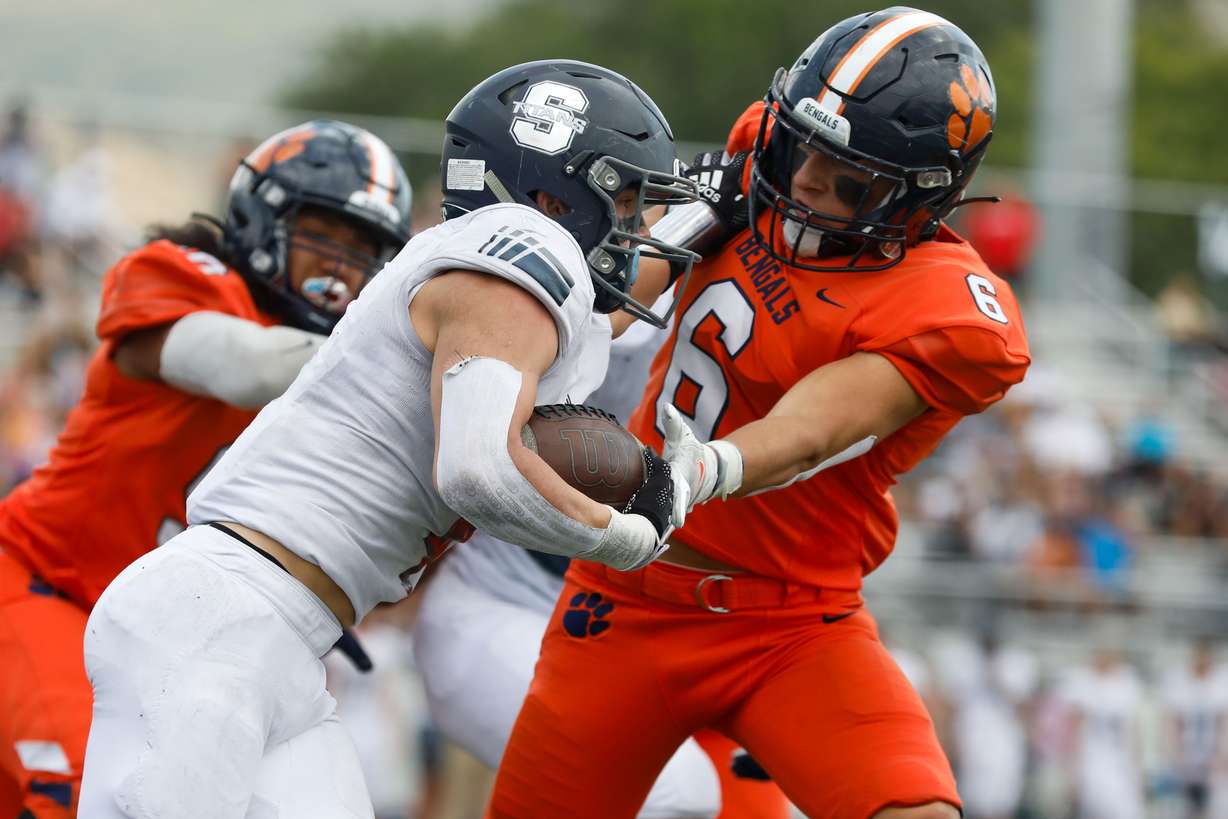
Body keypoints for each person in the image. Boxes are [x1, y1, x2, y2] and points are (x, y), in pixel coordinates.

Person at [78, 60, 698, 818]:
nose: (640, 230)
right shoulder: (523, 247)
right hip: (217, 618)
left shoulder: (514, 277)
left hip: (285, 641)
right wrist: (621, 537)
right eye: (628, 202)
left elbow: (603, 332)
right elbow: (481, 472)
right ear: (551, 195)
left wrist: (720, 213)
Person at [490, 8, 1030, 818]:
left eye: (849, 179)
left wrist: (702, 468)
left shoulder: (948, 310)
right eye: (801, 147)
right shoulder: (762, 155)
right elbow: (610, 304)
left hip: (794, 622)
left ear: (921, 199)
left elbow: (816, 426)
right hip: (630, 590)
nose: (807, 178)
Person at [0, 118, 412, 818]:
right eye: (324, 234)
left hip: (190, 645)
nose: (340, 267)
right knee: (81, 799)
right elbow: (238, 364)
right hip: (50, 589)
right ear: (263, 217)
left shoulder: (353, 382)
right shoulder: (182, 277)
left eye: (362, 251)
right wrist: (394, 359)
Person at [413, 293, 792, 818]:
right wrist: (614, 534)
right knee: (680, 795)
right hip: (508, 609)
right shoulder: (568, 309)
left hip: (650, 644)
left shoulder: (778, 372)